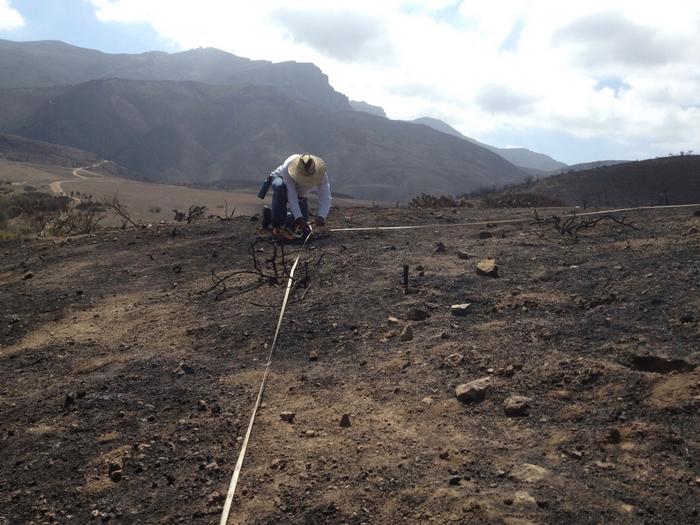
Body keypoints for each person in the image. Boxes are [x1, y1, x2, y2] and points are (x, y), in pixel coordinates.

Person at [259, 153, 331, 240]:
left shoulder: (321, 174)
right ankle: (277, 226)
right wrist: (299, 218)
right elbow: (291, 195)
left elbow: (325, 196)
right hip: (281, 179)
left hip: (300, 193)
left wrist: (322, 216)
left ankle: (270, 214)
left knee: (300, 222)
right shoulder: (288, 167)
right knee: (281, 188)